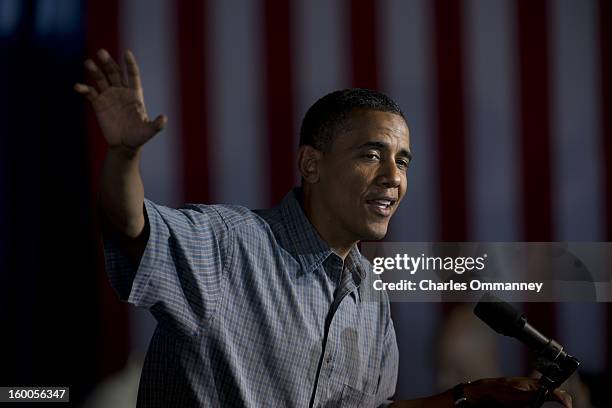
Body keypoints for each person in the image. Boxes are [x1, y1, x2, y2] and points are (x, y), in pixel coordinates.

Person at [75, 49, 572, 408]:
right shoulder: (231, 243)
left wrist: (472, 395)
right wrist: (123, 155)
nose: (393, 178)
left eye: (403, 161)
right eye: (371, 155)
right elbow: (131, 224)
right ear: (311, 164)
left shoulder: (369, 296)